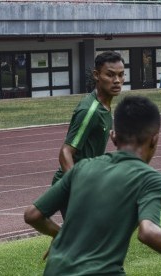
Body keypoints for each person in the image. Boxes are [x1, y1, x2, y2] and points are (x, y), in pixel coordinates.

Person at [24, 96, 161, 276]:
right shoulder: (151, 180)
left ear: (113, 136)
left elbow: (33, 215)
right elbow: (149, 232)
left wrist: (63, 235)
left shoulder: (82, 168)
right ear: (155, 139)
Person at [52, 51, 125, 218]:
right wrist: (79, 189)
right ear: (96, 75)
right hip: (72, 184)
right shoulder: (89, 110)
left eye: (121, 75)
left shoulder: (104, 105)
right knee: (83, 238)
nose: (117, 81)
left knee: (79, 240)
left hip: (87, 180)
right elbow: (65, 153)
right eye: (110, 75)